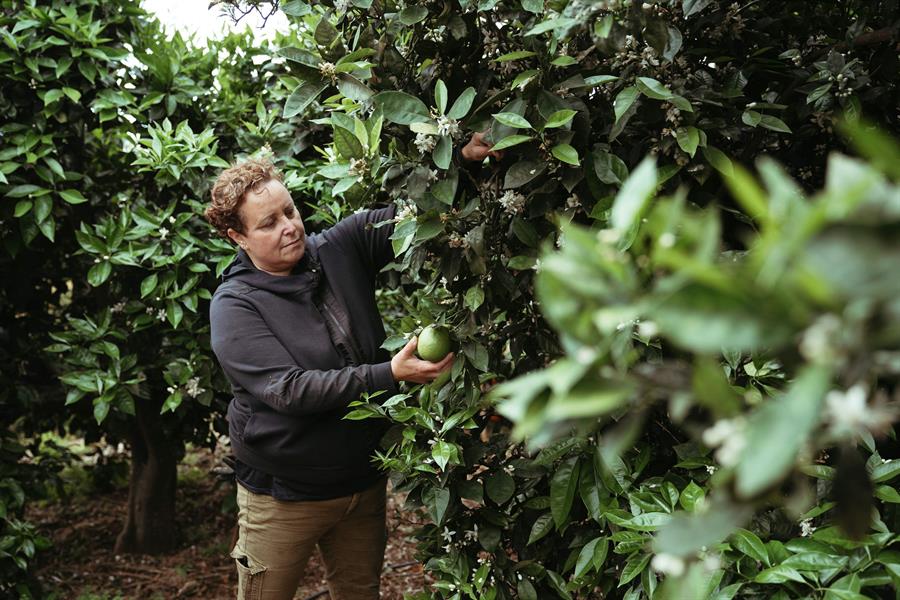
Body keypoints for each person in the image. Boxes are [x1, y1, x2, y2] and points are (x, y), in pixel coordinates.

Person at [205, 132, 499, 600]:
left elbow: (410, 211)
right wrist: (389, 374)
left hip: (361, 484)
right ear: (236, 237)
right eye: (268, 224)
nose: (289, 227)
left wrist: (461, 159)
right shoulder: (235, 305)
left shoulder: (336, 250)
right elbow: (289, 390)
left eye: (290, 211)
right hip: (283, 497)